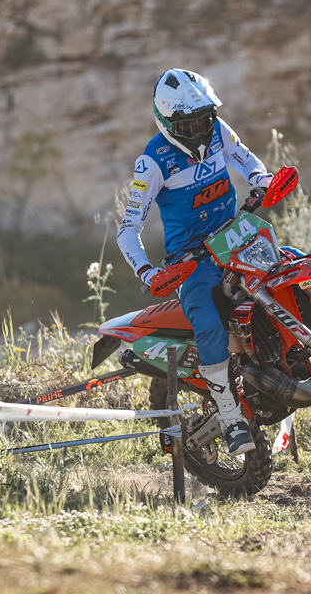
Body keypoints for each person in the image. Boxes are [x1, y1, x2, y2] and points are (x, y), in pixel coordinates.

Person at [116, 68, 272, 456]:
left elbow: (249, 162)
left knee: (293, 268)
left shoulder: (220, 131)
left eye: (205, 119)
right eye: (189, 125)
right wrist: (147, 271)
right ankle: (231, 418)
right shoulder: (151, 162)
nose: (200, 131)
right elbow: (128, 229)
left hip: (236, 236)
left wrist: (261, 180)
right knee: (208, 320)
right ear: (167, 123)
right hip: (192, 260)